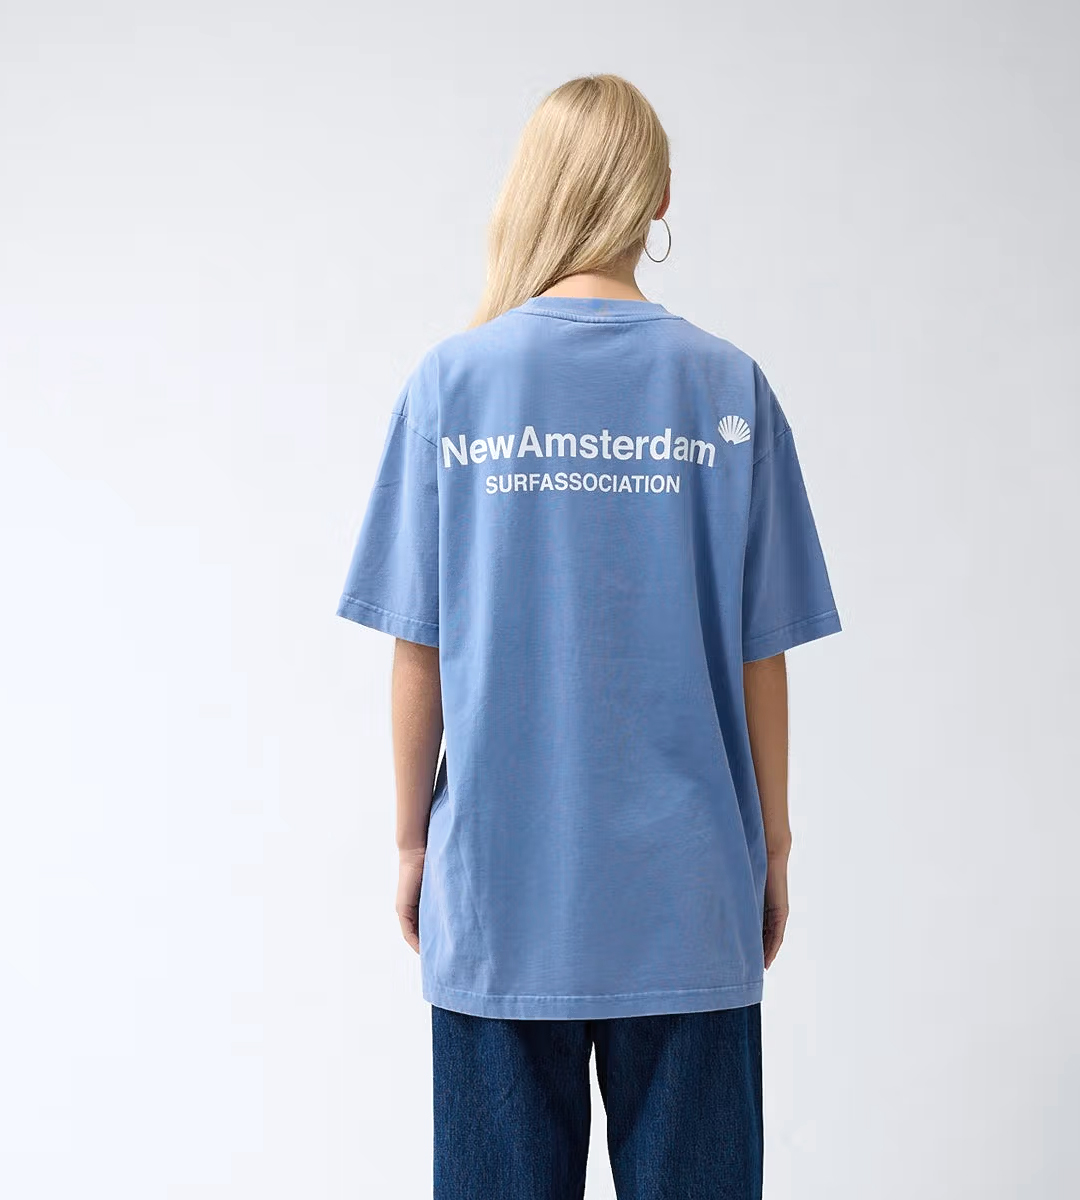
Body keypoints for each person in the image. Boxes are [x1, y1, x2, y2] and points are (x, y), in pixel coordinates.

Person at [335, 73, 841, 1200]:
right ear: (657, 196)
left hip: (500, 890)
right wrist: (773, 848)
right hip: (689, 891)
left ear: (533, 189)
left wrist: (415, 844)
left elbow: (417, 646)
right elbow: (762, 653)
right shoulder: (726, 387)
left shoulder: (453, 384)